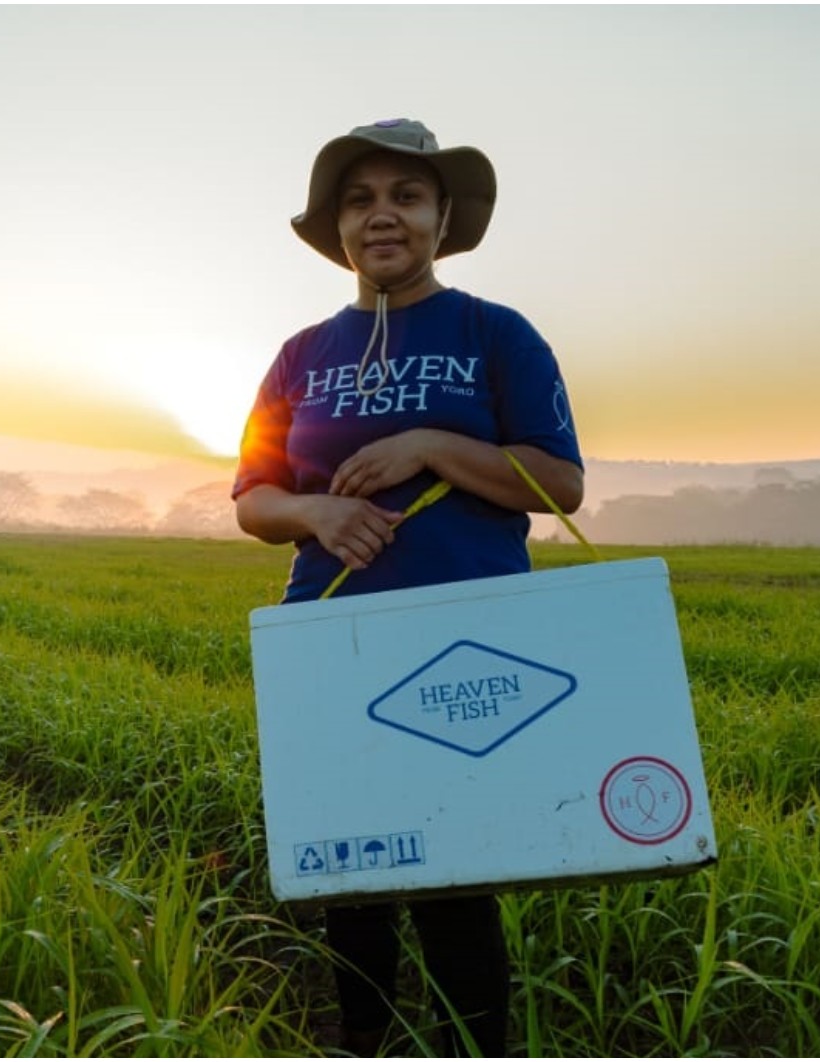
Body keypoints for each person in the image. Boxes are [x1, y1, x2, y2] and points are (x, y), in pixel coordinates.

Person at [232, 118, 585, 1057]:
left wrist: (432, 446)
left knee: (458, 868)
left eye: (405, 196)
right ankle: (365, 1041)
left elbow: (563, 484)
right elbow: (254, 497)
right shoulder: (301, 354)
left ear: (441, 217)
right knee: (352, 870)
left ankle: (478, 1048)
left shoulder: (494, 333)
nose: (382, 216)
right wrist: (316, 516)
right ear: (338, 230)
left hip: (465, 634)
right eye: (359, 200)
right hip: (331, 631)